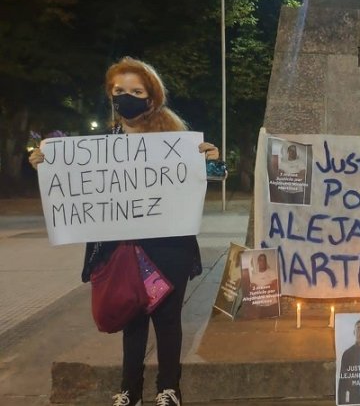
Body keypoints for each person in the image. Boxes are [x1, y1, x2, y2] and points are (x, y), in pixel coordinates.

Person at [29, 56, 220, 406]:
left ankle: (168, 389)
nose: (126, 97)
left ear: (151, 97)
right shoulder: (98, 147)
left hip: (168, 248)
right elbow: (76, 181)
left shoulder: (174, 138)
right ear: (110, 96)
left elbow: (214, 176)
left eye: (136, 90)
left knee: (166, 319)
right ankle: (129, 390)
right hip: (123, 250)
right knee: (132, 320)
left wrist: (213, 160)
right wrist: (46, 163)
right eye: (119, 91)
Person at [247, 253, 279, 318]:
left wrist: (260, 289)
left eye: (264, 260)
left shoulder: (272, 272)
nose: (263, 262)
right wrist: (268, 286)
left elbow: (275, 287)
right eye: (261, 260)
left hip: (272, 304)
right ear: (258, 262)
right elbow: (253, 290)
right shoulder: (254, 276)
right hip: (259, 306)